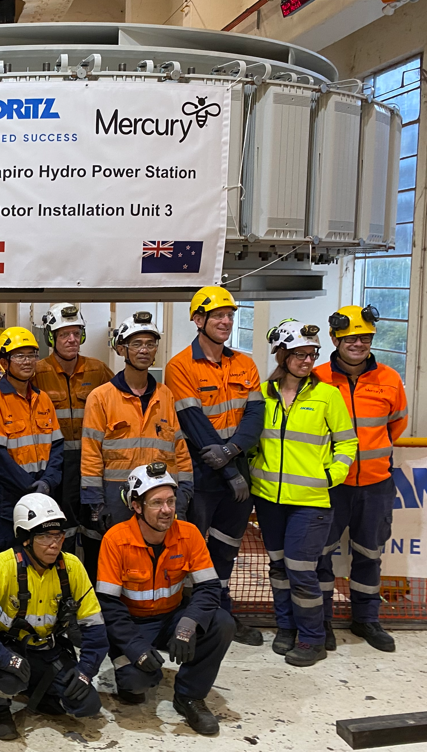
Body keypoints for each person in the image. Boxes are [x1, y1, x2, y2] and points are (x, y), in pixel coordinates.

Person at [97, 462, 233, 736]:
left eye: (170, 501)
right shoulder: (115, 540)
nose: (167, 510)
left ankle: (190, 696)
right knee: (137, 683)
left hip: (172, 617)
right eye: (157, 503)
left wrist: (189, 622)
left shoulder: (189, 534)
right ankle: (132, 678)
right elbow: (108, 607)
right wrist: (135, 648)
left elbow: (208, 589)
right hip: (131, 624)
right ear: (136, 506)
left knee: (222, 623)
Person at [250, 320, 357, 667]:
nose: (307, 360)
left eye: (312, 354)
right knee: (278, 568)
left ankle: (312, 637)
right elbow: (253, 440)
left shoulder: (327, 395)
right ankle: (286, 628)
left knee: (301, 570)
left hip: (311, 503)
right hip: (269, 500)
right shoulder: (264, 394)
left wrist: (332, 474)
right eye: (299, 354)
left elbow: (347, 442)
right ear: (282, 355)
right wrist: (254, 470)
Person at [165, 286, 265, 647]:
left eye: (230, 316)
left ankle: (221, 614)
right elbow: (194, 424)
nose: (226, 321)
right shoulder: (180, 366)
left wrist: (234, 451)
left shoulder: (246, 363)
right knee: (191, 550)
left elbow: (255, 415)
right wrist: (227, 468)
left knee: (226, 548)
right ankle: (189, 617)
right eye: (218, 316)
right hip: (202, 476)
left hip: (237, 473)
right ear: (198, 320)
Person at [0, 494, 106, 741]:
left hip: (50, 650)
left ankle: (40, 694)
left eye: (58, 535)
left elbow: (95, 629)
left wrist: (85, 672)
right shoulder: (4, 564)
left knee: (87, 704)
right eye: (43, 536)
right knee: (11, 677)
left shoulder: (71, 567)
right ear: (26, 539)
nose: (54, 544)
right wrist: (4, 658)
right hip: (11, 650)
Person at [314, 305, 408, 653]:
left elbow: (396, 424)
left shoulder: (389, 378)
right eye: (351, 338)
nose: (359, 344)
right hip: (331, 486)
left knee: (370, 554)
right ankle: (320, 622)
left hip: (375, 485)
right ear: (335, 339)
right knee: (320, 555)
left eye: (365, 338)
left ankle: (366, 619)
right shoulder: (318, 378)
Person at [79, 311, 193, 580]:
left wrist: (185, 490)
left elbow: (178, 448)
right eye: (136, 344)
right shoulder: (101, 397)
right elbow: (91, 452)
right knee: (117, 566)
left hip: (158, 497)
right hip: (117, 499)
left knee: (155, 564)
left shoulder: (165, 395)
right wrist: (95, 502)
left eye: (150, 344)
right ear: (122, 349)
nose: (144, 350)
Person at [33, 303, 115, 554]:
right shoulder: (37, 372)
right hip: (56, 465)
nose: (71, 340)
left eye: (76, 333)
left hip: (92, 462)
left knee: (95, 526)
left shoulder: (98, 369)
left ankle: (93, 586)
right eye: (63, 334)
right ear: (52, 337)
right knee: (60, 528)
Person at [0, 326, 64, 558]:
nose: (27, 362)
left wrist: (48, 483)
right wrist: (32, 490)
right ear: (4, 362)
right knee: (4, 560)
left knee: (40, 559)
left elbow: (56, 447)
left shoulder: (43, 399)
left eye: (31, 355)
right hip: (7, 500)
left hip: (44, 493)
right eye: (19, 356)